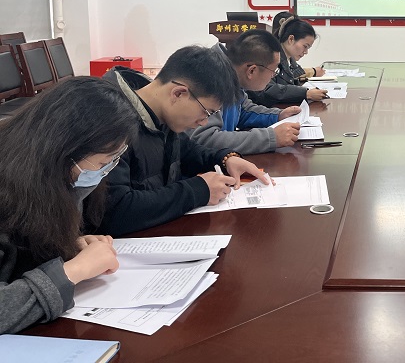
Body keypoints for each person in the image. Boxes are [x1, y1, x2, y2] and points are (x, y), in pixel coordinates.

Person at [0, 76, 139, 334]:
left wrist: (67, 248)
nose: (105, 171)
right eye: (102, 163)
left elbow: (22, 251)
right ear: (64, 148)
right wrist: (72, 271)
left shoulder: (53, 177)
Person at [100, 45, 272, 236]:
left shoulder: (161, 112)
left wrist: (225, 159)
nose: (204, 122)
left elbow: (187, 150)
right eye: (206, 112)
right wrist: (198, 191)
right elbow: (116, 211)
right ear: (179, 93)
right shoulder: (110, 122)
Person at [189, 30, 301, 155]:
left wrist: (278, 116)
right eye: (273, 71)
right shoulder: (210, 80)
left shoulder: (232, 74)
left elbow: (243, 111)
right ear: (251, 70)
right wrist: (270, 138)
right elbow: (204, 139)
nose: (273, 76)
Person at [249, 15, 328, 106]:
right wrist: (305, 93)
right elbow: (266, 89)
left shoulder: (289, 60)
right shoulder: (269, 56)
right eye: (305, 46)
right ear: (291, 39)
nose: (306, 52)